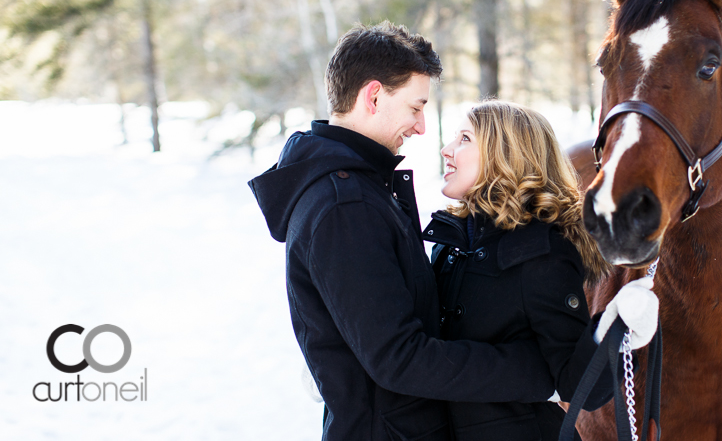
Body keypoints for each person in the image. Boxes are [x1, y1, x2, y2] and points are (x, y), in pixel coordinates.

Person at [248, 22, 568, 441]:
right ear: (374, 95)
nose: (420, 127)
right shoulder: (347, 206)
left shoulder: (360, 190)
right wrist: (539, 374)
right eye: (416, 107)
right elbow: (399, 358)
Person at [423, 101, 659, 440]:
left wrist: (614, 334)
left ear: (504, 154)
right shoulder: (449, 242)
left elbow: (579, 388)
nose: (447, 150)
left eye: (464, 139)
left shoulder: (540, 254)